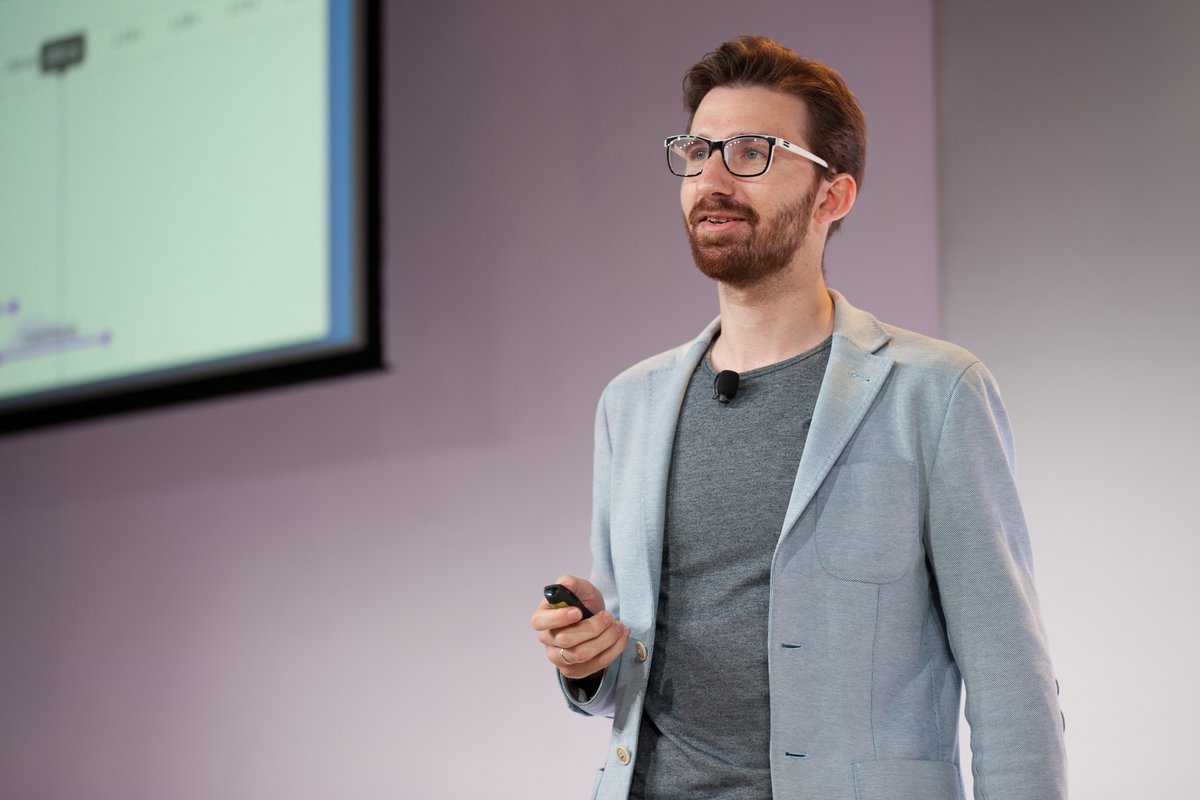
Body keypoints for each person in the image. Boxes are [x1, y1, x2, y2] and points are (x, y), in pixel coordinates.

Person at [530, 36, 1066, 800]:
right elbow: (632, 672)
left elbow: (1013, 681)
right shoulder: (631, 404)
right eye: (698, 151)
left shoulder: (935, 393)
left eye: (751, 152)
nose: (711, 178)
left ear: (832, 197)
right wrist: (588, 659)